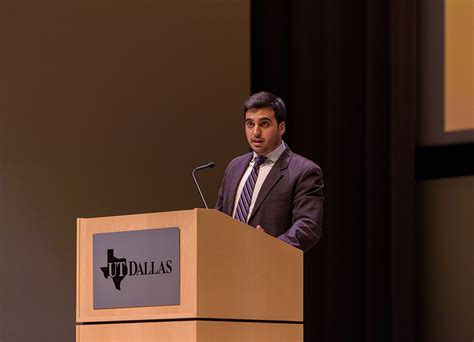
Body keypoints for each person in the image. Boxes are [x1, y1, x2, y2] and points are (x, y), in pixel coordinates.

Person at [215, 91, 324, 252]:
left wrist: (271, 248)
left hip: (271, 269)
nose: (255, 132)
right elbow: (220, 218)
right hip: (227, 264)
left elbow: (308, 226)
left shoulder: (303, 171)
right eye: (250, 124)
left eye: (264, 124)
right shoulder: (234, 167)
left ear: (281, 128)